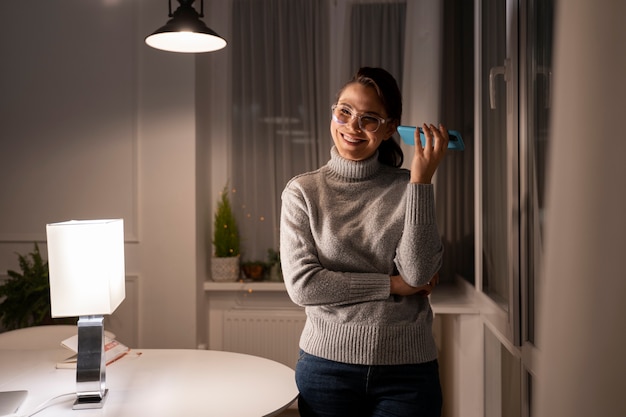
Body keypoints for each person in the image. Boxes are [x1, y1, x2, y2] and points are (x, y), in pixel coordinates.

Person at [279, 67, 449, 417]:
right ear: (333, 113)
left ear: (389, 129)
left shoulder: (410, 188)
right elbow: (304, 287)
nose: (352, 126)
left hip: (408, 371)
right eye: (344, 111)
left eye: (369, 119)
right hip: (327, 368)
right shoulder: (303, 192)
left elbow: (417, 275)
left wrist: (420, 182)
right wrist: (390, 285)